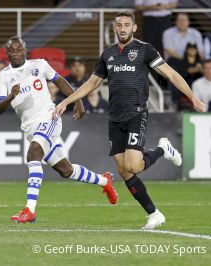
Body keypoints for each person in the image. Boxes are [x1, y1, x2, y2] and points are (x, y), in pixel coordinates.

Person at [55, 11, 207, 230]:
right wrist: (66, 101)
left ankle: (163, 149)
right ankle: (154, 214)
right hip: (114, 118)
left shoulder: (145, 49)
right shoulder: (108, 54)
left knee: (134, 165)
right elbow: (91, 84)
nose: (123, 28)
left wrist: (193, 98)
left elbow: (171, 74)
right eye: (119, 25)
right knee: (124, 170)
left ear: (134, 28)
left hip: (136, 113)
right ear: (115, 29)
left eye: (127, 24)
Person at [0, 36, 117, 224]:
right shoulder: (2, 77)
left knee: (33, 153)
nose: (16, 53)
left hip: (49, 117)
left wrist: (78, 101)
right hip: (30, 126)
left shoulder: (39, 65)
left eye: (19, 50)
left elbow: (60, 82)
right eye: (12, 51)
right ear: (7, 53)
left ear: (25, 50)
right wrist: (11, 96)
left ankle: (30, 210)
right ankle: (105, 181)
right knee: (66, 170)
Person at [169, 42, 203, 110]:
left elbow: (205, 74)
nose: (193, 50)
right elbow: (181, 73)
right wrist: (193, 70)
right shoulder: (182, 62)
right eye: (190, 49)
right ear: (187, 50)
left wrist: (200, 69)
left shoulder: (200, 62)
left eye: (194, 49)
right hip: (185, 85)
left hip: (199, 85)